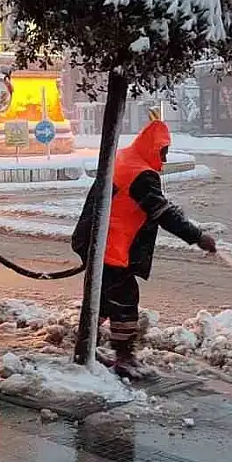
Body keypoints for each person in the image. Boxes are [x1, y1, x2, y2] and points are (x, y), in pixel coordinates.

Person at [72, 119, 217, 379]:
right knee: (125, 301)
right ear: (152, 147)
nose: (164, 156)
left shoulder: (125, 158)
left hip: (94, 238)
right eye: (162, 150)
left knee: (102, 298)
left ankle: (86, 346)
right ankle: (124, 357)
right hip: (111, 245)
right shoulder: (142, 174)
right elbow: (162, 213)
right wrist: (197, 236)